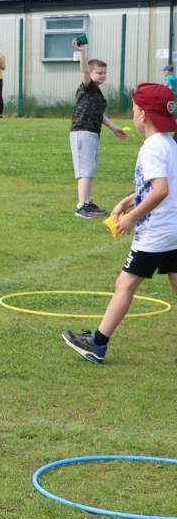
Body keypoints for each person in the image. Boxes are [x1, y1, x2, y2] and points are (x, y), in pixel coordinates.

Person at [62, 83, 177, 364]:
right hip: (173, 228)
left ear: (144, 115)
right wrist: (128, 200)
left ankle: (97, 344)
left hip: (156, 232)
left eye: (135, 110)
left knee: (125, 284)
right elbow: (162, 186)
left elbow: (161, 190)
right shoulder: (170, 143)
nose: (133, 115)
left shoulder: (151, 148)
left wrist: (131, 217)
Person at [69, 38, 127, 218]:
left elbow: (99, 114)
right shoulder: (88, 87)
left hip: (93, 132)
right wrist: (82, 53)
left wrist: (114, 128)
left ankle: (87, 202)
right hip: (82, 131)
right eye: (99, 73)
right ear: (91, 72)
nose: (103, 75)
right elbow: (84, 71)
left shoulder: (96, 91)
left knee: (90, 169)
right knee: (85, 170)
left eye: (104, 73)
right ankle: (81, 207)